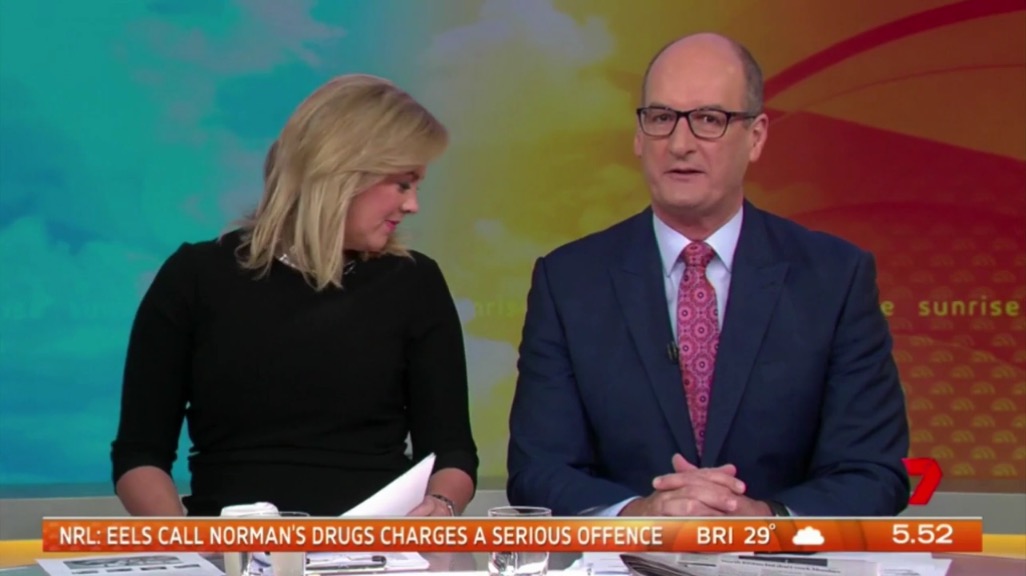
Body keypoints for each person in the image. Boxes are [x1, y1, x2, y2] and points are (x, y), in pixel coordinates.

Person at [506, 33, 909, 517]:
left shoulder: (835, 278)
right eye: (661, 118)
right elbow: (538, 470)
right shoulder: (568, 282)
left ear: (756, 136)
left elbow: (872, 472)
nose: (680, 144)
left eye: (709, 120)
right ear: (638, 136)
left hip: (781, 555)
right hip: (623, 556)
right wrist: (639, 516)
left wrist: (762, 520)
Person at [111, 74, 478, 517]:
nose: (412, 204)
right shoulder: (195, 277)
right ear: (343, 171)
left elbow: (451, 452)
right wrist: (184, 544)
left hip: (377, 544)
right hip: (230, 545)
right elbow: (139, 454)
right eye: (403, 184)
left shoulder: (414, 282)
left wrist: (440, 506)